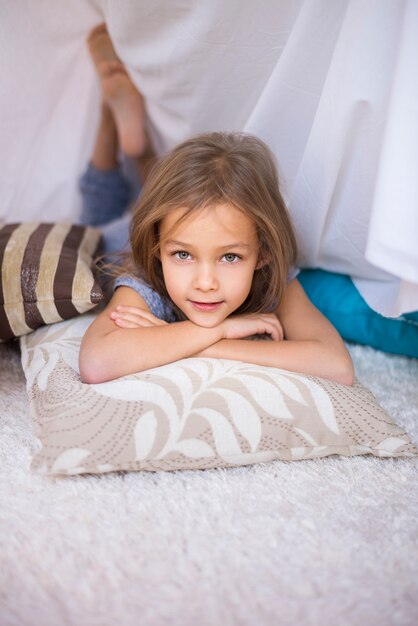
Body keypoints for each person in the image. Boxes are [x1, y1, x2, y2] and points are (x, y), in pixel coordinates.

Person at [79, 131, 354, 386]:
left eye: (230, 257)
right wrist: (223, 328)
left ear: (263, 253)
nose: (206, 283)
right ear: (156, 248)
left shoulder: (271, 278)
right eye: (183, 255)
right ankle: (122, 132)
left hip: (163, 226)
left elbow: (336, 365)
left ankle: (140, 152)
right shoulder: (145, 279)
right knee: (97, 222)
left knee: (150, 199)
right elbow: (96, 362)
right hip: (115, 239)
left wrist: (206, 343)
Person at [78, 23, 154, 255]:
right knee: (161, 219)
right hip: (129, 251)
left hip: (108, 254)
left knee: (97, 234)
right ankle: (141, 152)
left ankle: (109, 113)